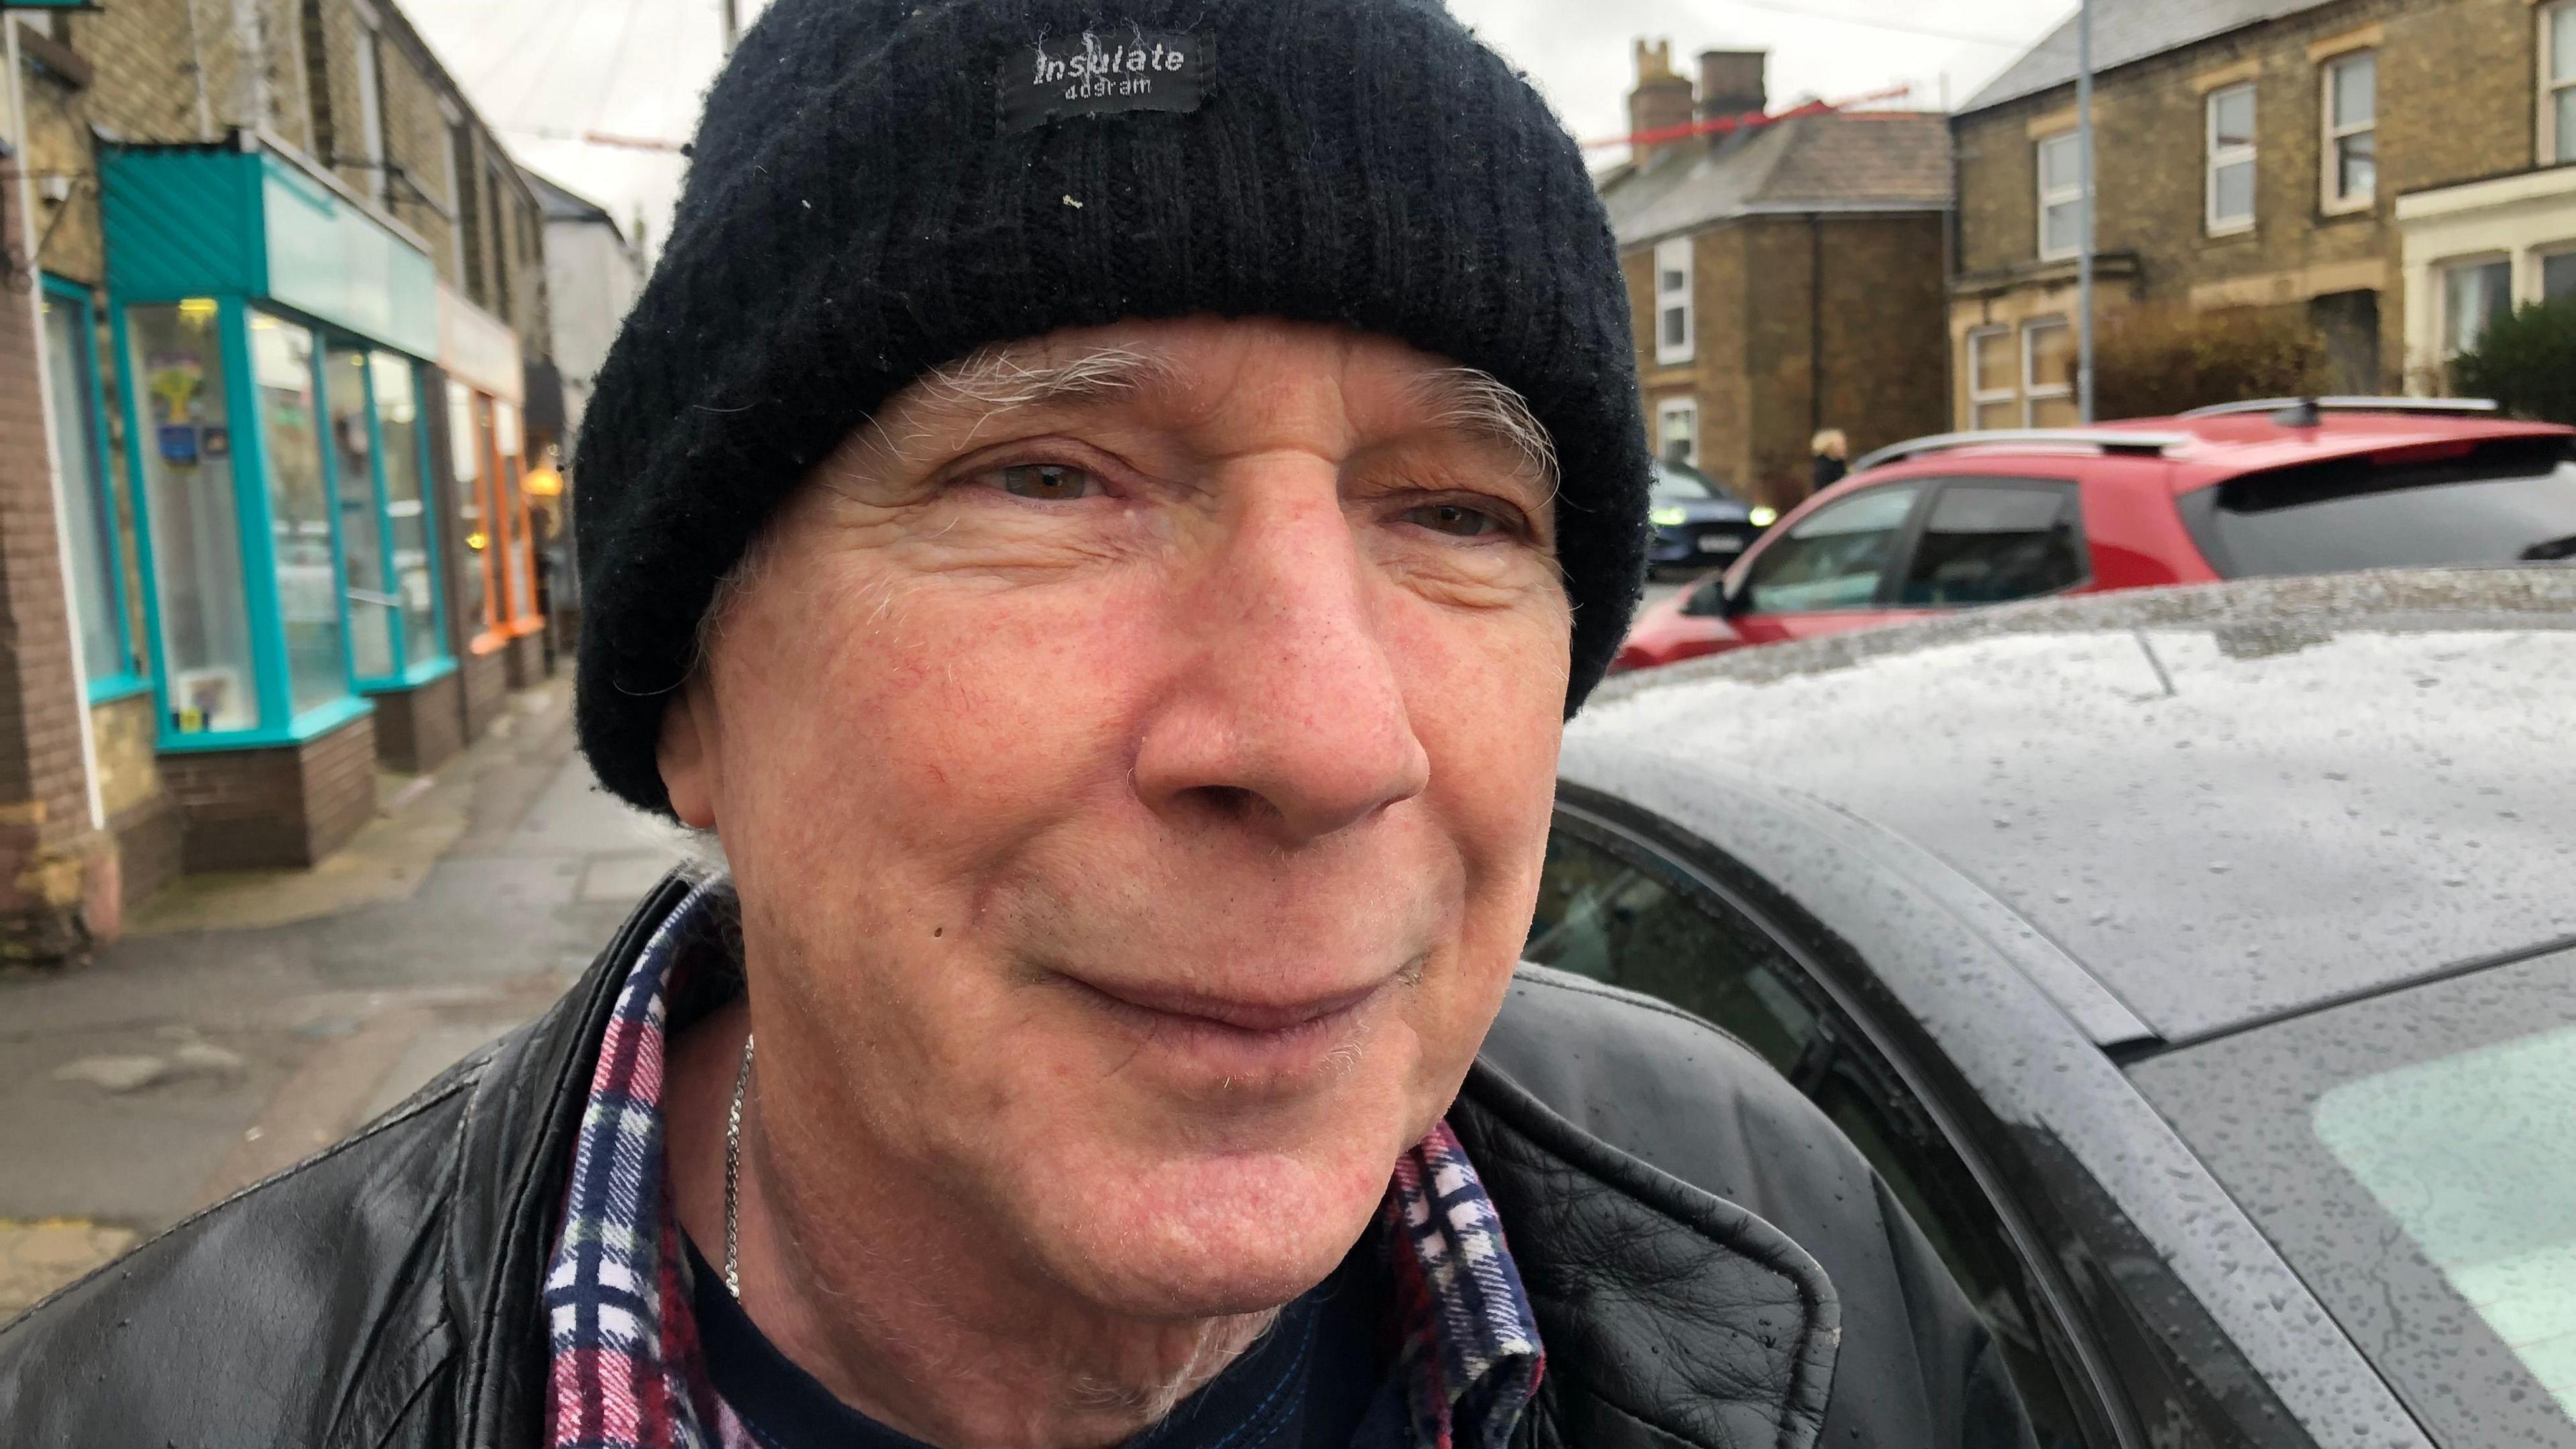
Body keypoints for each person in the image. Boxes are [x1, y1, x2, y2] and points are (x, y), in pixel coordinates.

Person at [0, 3, 2032, 1447]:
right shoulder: (150, 1412)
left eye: (1452, 512)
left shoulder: (1794, 1241)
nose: (1327, 740)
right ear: (691, 700)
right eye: (1045, 480)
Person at [1811, 428, 1851, 494]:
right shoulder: (1823, 469)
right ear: (1829, 447)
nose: (1845, 448)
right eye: (1841, 445)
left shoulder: (1839, 463)